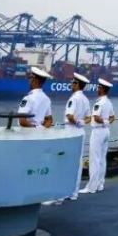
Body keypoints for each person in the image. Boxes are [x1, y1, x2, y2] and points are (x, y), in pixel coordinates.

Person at [44, 72, 90, 205]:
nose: (70, 84)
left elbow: (69, 116)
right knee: (77, 162)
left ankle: (59, 196)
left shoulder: (73, 99)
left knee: (64, 162)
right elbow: (89, 117)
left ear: (77, 84)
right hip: (80, 131)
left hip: (70, 130)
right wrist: (81, 122)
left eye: (72, 82)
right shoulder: (85, 99)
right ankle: (73, 193)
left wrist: (75, 122)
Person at [80, 78, 115, 195]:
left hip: (98, 131)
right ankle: (100, 184)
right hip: (106, 131)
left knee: (94, 159)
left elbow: (96, 118)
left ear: (102, 89)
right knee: (102, 159)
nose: (97, 89)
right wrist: (107, 122)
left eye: (98, 87)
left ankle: (91, 187)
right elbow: (112, 117)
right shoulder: (108, 102)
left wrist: (104, 122)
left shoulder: (100, 102)